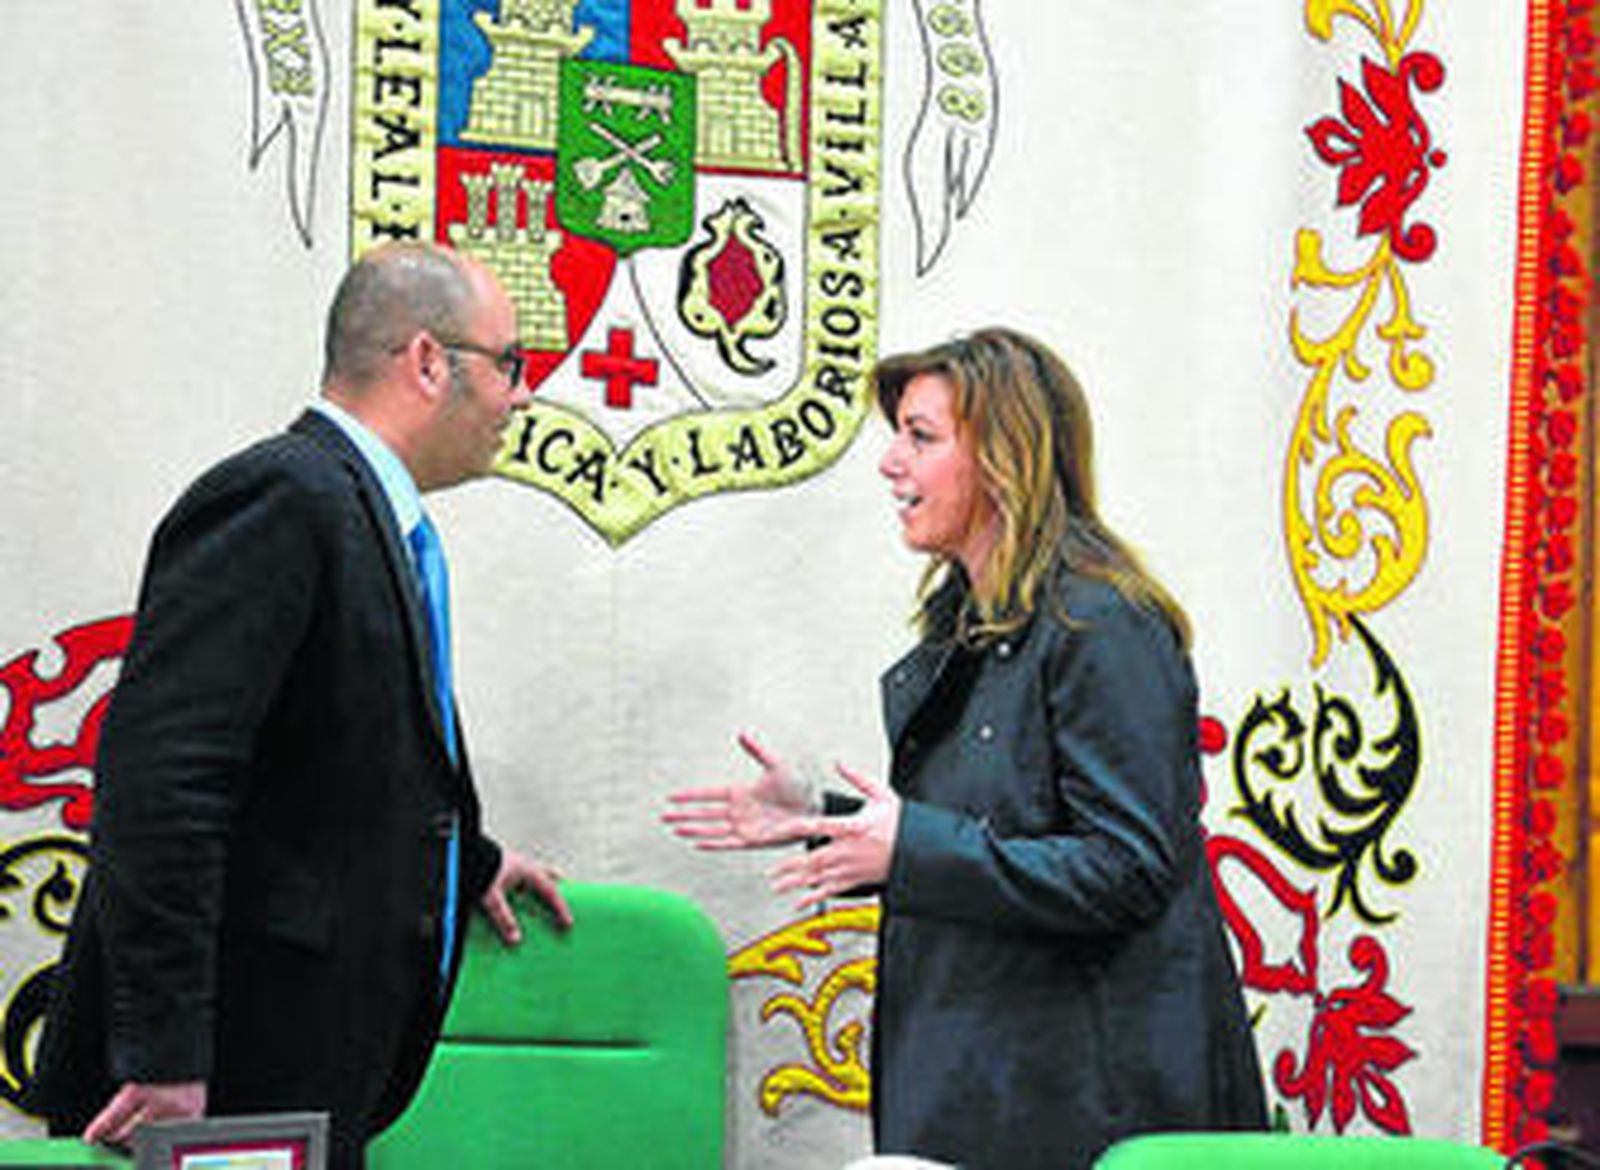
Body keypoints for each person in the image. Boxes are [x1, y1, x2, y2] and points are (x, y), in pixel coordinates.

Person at [27, 242, 573, 1169]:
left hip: (300, 1070)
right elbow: (164, 783)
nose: (523, 395)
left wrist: (463, 856)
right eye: (510, 364)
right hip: (220, 1080)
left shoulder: (361, 512)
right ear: (429, 362)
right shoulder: (282, 496)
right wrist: (165, 1053)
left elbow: (334, 751)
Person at [665, 328, 1266, 1170]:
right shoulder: (978, 623)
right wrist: (828, 821)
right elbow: (989, 830)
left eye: (921, 437)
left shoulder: (1104, 623)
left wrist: (907, 846)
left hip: (1089, 1111)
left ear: (1004, 454)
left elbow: (1126, 868)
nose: (889, 464)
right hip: (997, 1088)